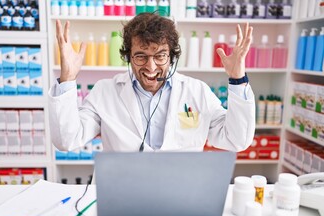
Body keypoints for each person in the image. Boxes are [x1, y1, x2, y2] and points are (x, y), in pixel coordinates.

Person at [49, 13, 255, 153]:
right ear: (128, 57)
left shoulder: (197, 91)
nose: (151, 66)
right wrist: (67, 78)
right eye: (140, 56)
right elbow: (67, 141)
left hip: (180, 193)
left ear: (171, 56)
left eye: (160, 56)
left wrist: (238, 79)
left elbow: (236, 139)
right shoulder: (105, 91)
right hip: (122, 192)